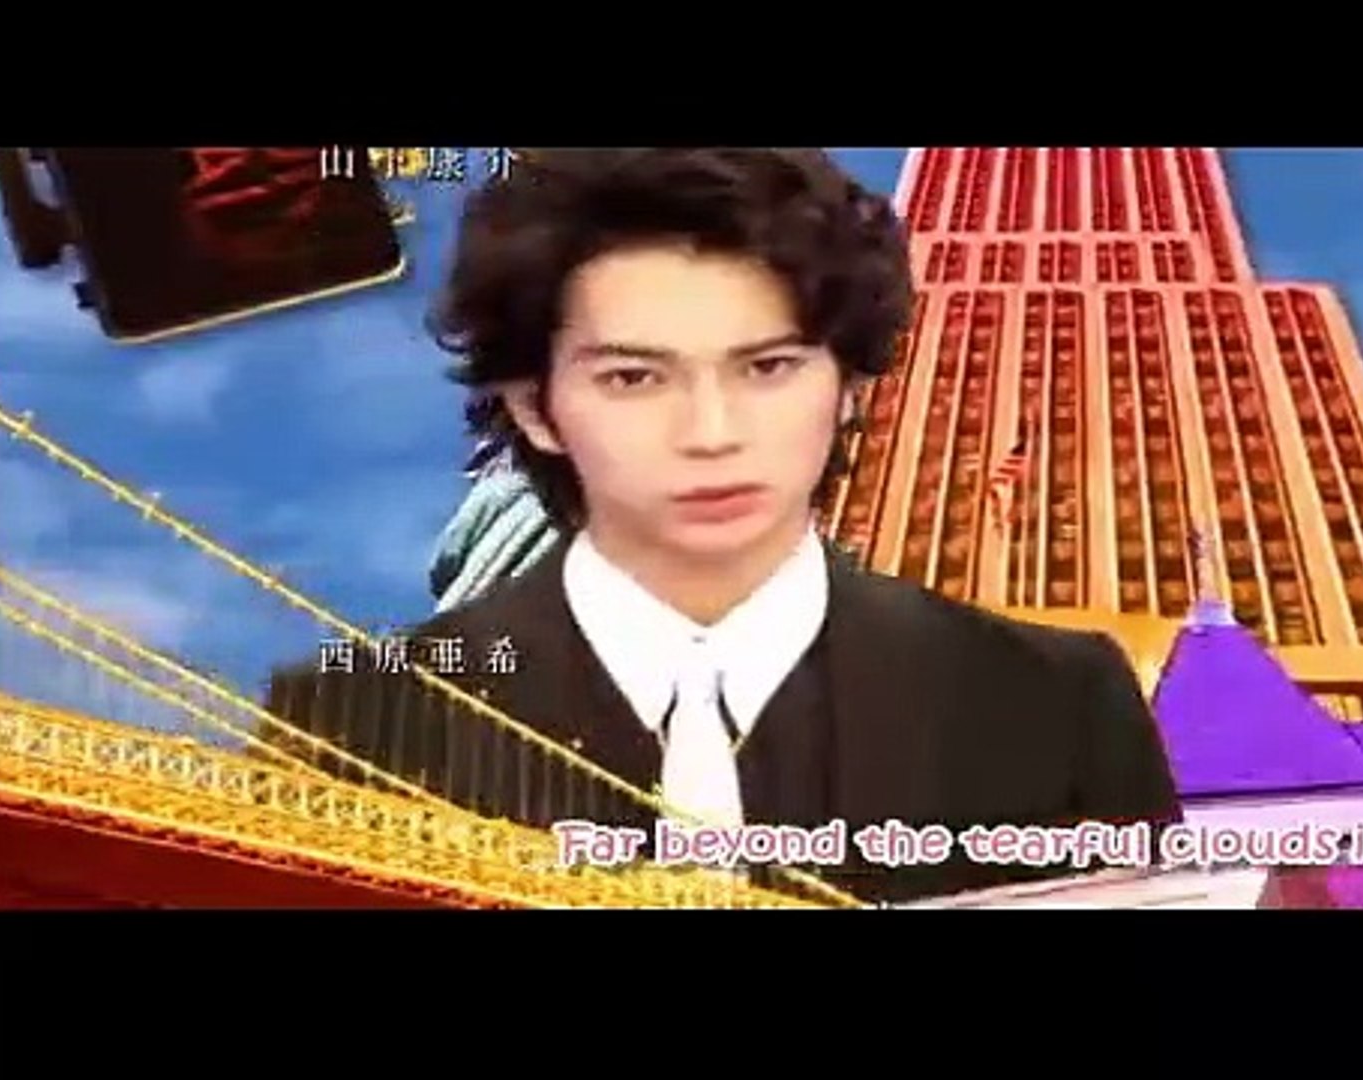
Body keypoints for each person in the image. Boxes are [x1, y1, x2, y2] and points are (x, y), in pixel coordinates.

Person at [261, 149, 1181, 906]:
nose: (711, 433)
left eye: (769, 368)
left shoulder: (1059, 702)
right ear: (536, 409)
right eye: (634, 378)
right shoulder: (354, 723)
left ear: (849, 388)